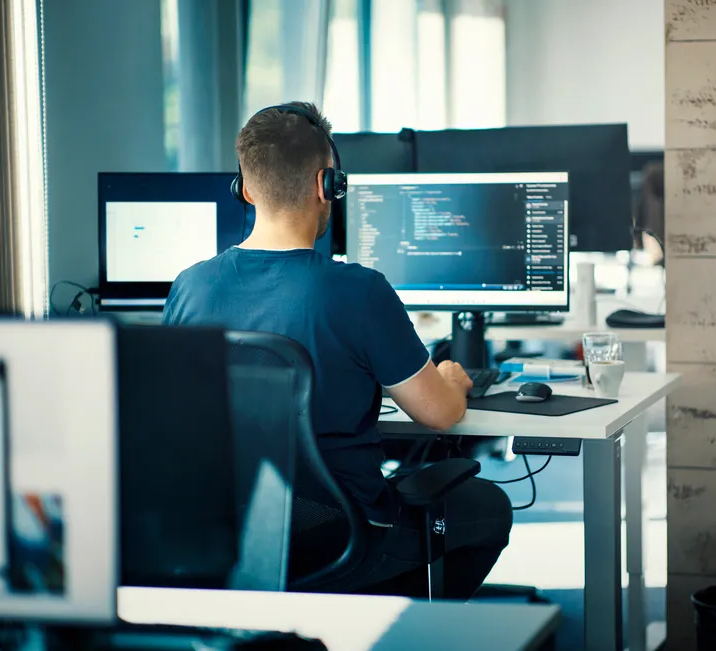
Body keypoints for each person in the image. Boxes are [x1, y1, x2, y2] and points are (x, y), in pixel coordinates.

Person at [163, 101, 512, 599]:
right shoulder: (358, 290)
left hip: (229, 530)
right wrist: (452, 381)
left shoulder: (189, 287)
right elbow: (440, 415)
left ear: (242, 186)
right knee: (487, 506)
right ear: (328, 185)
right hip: (340, 534)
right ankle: (387, 622)